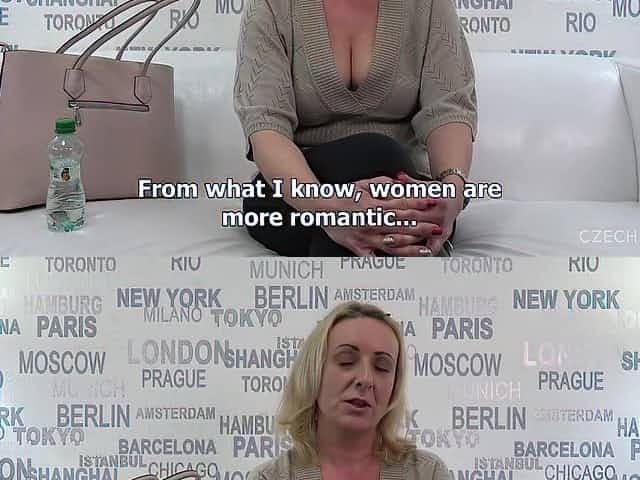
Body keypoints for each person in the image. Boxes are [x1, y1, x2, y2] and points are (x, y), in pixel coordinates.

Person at [234, 0, 477, 257]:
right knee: (376, 153)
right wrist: (328, 210)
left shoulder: (429, 6)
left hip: (404, 192)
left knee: (387, 171)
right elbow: (267, 129)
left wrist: (452, 192)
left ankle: (353, 269)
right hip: (294, 197)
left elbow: (449, 111)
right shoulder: (271, 6)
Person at [248, 301, 450, 480]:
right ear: (314, 372)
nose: (365, 379)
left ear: (394, 386)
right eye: (346, 361)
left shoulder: (428, 473)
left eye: (381, 367)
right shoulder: (269, 477)